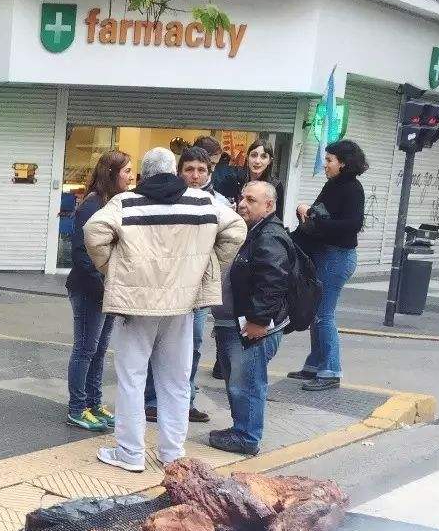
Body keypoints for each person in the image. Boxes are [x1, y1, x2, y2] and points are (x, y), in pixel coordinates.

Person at [84, 147, 245, 473]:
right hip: (182, 307)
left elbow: (94, 232)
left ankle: (130, 453)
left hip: (136, 306)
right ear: (174, 171)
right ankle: (172, 453)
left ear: (145, 172)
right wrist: (207, 265)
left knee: (132, 378)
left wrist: (111, 268)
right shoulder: (202, 201)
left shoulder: (125, 202)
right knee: (176, 381)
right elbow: (236, 229)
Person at [208, 181, 292, 457]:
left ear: (269, 205)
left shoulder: (270, 236)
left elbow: (274, 281)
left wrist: (258, 320)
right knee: (239, 381)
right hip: (240, 323)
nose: (242, 203)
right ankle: (241, 429)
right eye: (242, 197)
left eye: (251, 200)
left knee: (247, 382)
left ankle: (246, 436)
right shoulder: (254, 231)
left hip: (253, 327)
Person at [143, 145, 222, 424]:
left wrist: (211, 267)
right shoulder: (165, 200)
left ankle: (185, 401)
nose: (196, 176)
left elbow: (231, 239)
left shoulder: (218, 204)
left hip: (196, 290)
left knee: (194, 344)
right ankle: (152, 401)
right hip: (166, 286)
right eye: (189, 170)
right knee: (157, 342)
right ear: (178, 172)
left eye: (202, 170)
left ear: (209, 173)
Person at [290, 138, 367, 391]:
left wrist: (317, 220)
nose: (325, 164)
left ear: (343, 163)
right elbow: (318, 215)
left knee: (324, 315)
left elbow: (352, 225)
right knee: (316, 312)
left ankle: (331, 370)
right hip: (324, 254)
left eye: (329, 160)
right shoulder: (332, 185)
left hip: (338, 257)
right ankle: (315, 364)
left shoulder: (353, 189)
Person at [65, 151, 132, 431]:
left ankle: (94, 402)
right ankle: (77, 408)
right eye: (127, 171)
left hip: (106, 289)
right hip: (89, 289)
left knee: (99, 349)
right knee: (85, 348)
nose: (131, 176)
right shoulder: (91, 207)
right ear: (111, 173)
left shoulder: (112, 204)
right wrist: (104, 285)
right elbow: (82, 255)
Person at [237, 139, 284, 220]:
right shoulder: (237, 180)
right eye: (253, 155)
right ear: (247, 157)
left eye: (263, 156)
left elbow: (277, 217)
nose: (257, 161)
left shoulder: (275, 185)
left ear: (269, 161)